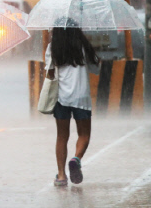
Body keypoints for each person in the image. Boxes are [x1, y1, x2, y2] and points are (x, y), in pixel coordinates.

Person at [45, 21, 100, 187]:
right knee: (84, 135)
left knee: (62, 136)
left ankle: (61, 176)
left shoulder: (53, 48)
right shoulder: (84, 47)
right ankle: (76, 159)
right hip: (81, 97)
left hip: (62, 98)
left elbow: (49, 73)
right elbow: (96, 69)